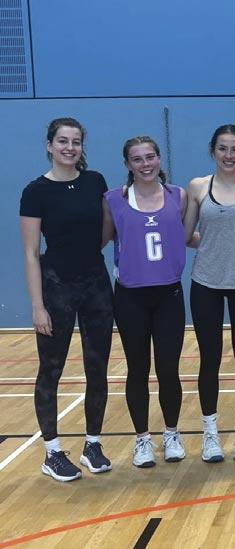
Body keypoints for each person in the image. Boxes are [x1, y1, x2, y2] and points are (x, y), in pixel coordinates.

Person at [20, 117, 113, 481]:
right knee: (51, 369)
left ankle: (93, 445)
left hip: (96, 285)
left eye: (75, 142)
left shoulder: (95, 181)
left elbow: (105, 231)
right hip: (56, 286)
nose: (69, 148)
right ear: (49, 145)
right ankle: (52, 452)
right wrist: (37, 306)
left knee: (97, 367)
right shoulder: (36, 191)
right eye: (62, 141)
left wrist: (87, 257)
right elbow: (31, 253)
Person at [103, 136, 187, 468]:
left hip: (169, 295)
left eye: (150, 157)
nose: (145, 164)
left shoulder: (178, 196)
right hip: (130, 296)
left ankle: (171, 434)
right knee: (138, 369)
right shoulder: (114, 200)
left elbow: (186, 236)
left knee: (168, 368)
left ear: (159, 159)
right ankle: (142, 439)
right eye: (137, 159)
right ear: (128, 164)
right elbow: (100, 239)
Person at [184, 124, 235, 462]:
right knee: (210, 358)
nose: (228, 155)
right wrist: (213, 245)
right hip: (206, 283)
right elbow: (186, 234)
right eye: (222, 148)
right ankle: (210, 433)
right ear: (212, 151)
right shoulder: (198, 186)